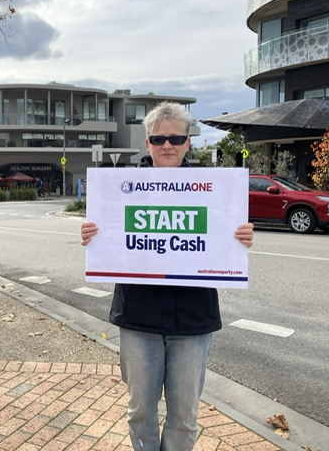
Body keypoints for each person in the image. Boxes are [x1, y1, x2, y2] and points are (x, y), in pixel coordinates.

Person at [80, 102, 254, 451]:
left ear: (188, 142)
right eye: (158, 139)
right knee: (140, 411)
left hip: (192, 318)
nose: (167, 145)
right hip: (138, 315)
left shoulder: (214, 189)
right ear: (147, 143)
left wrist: (240, 238)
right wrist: (92, 235)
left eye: (176, 138)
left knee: (184, 416)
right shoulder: (120, 188)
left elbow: (221, 240)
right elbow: (111, 238)